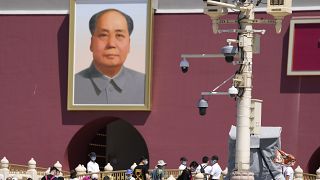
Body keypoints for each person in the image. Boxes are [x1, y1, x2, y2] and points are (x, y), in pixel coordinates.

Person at [74, 8, 145, 104]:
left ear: (129, 44)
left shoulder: (145, 84)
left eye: (119, 35)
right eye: (103, 35)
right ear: (91, 43)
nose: (111, 44)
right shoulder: (72, 85)